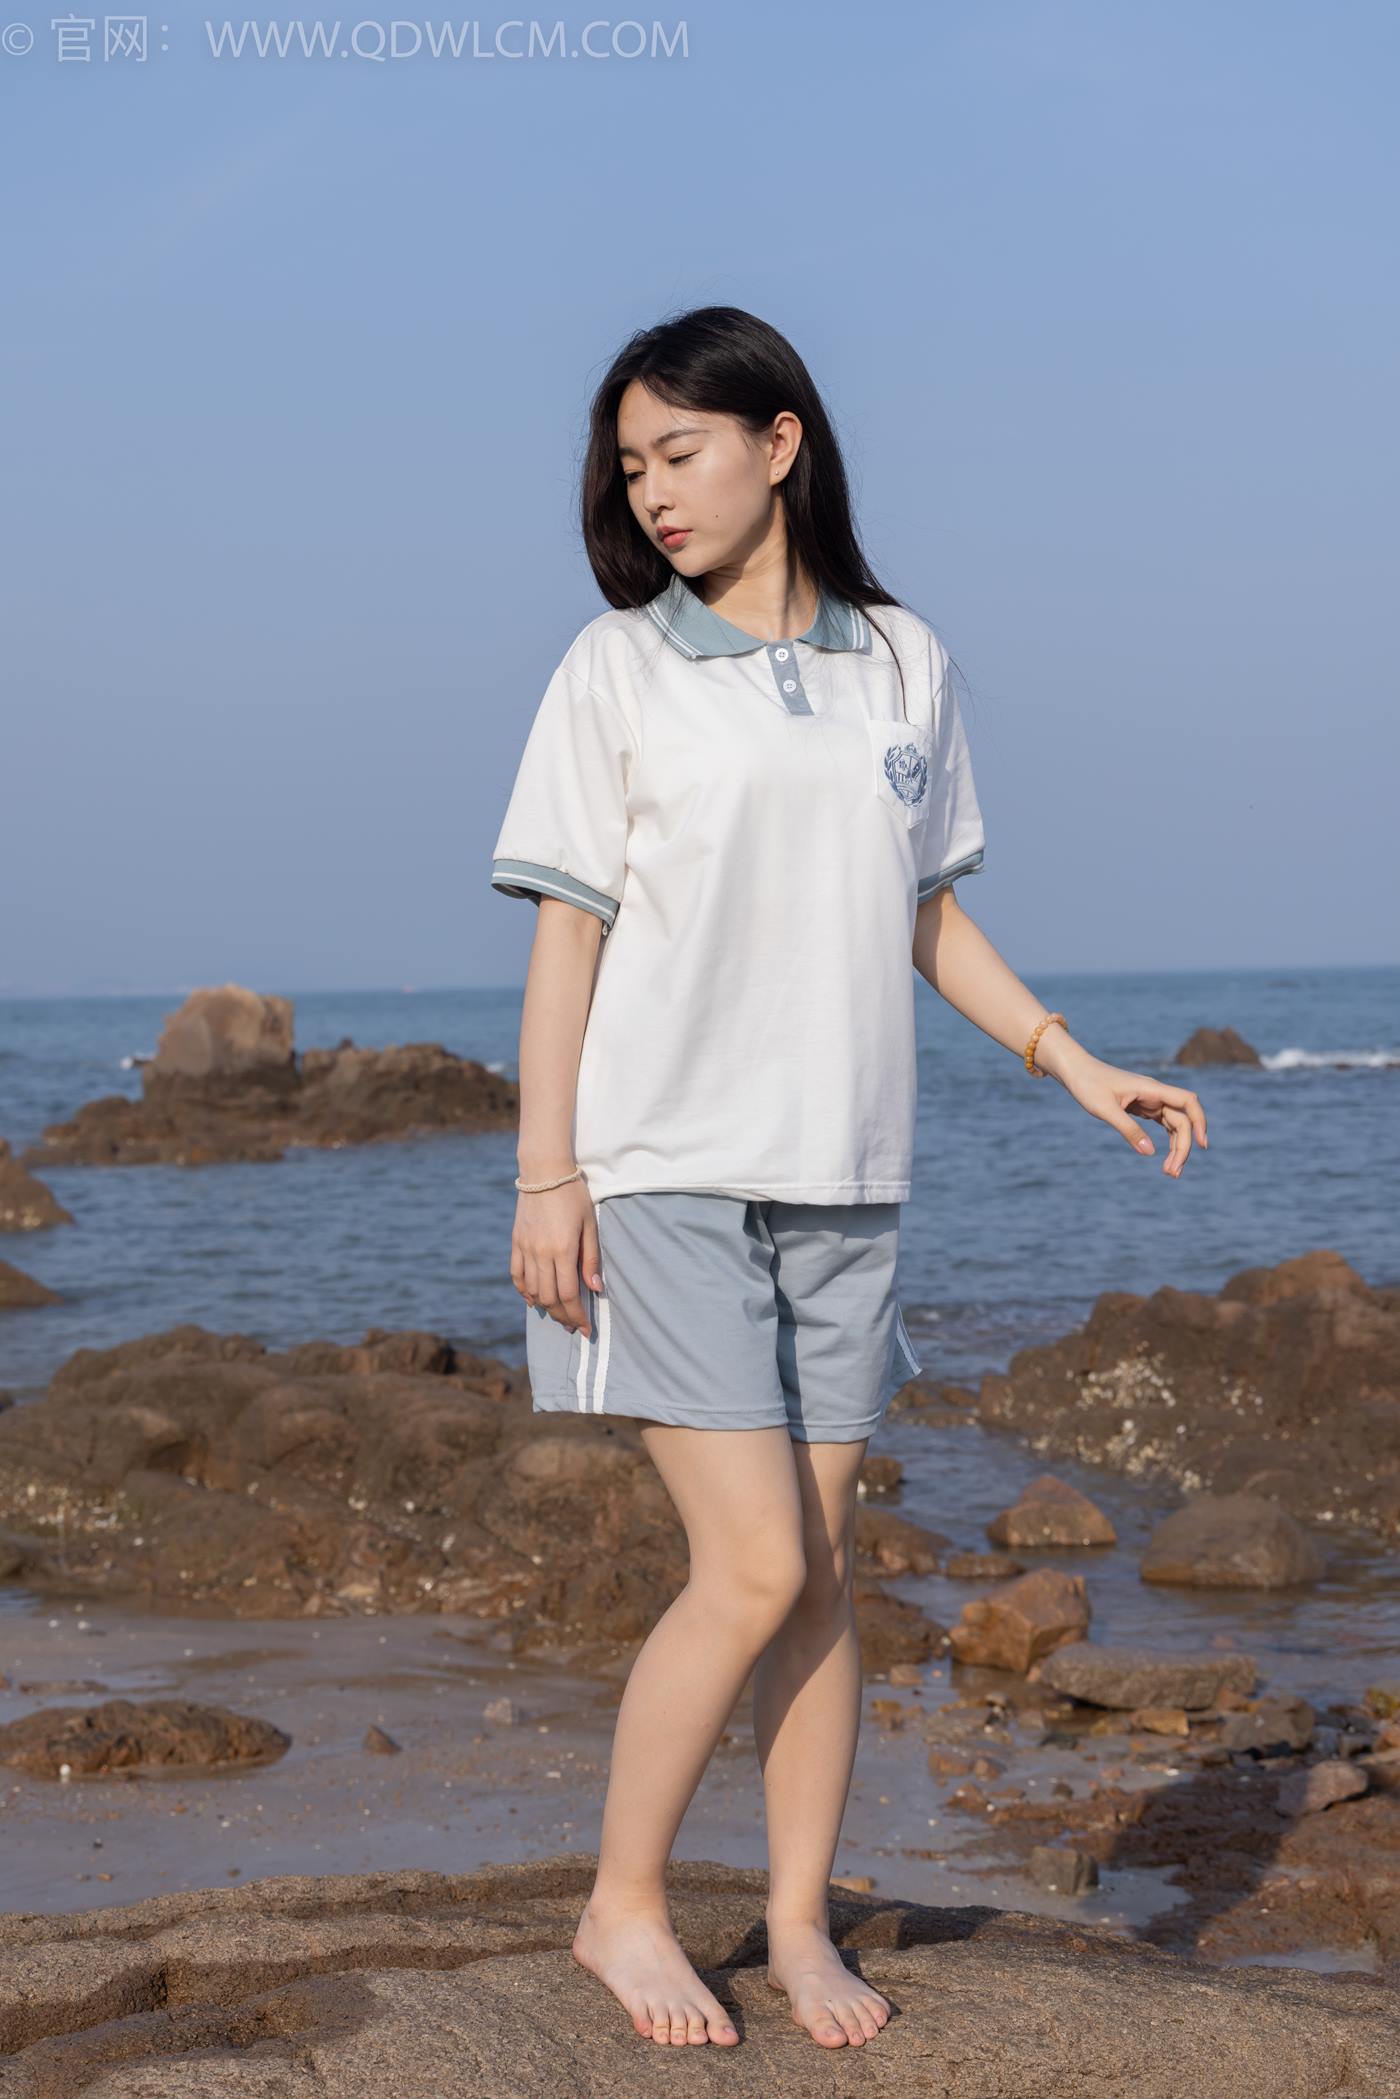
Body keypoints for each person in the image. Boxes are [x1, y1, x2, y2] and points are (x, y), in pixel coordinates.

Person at [488, 304, 1208, 2053]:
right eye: (631, 465)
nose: (652, 490)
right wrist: (544, 1177)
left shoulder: (903, 660)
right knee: (747, 1568)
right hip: (664, 1173)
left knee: (818, 1572)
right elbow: (567, 938)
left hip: (848, 1177)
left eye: (680, 451)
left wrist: (1072, 1059)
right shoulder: (616, 669)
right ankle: (623, 1906)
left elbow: (923, 914)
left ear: (781, 441)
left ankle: (801, 1922)